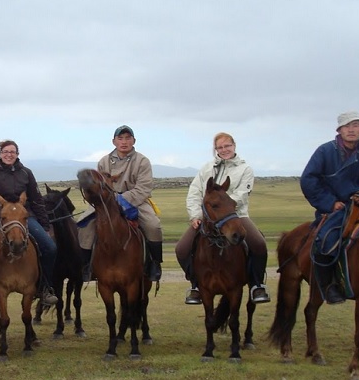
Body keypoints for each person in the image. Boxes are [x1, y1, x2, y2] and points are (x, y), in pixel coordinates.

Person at [300, 111, 359, 304]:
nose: (351, 129)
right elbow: (309, 180)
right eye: (347, 126)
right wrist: (330, 203)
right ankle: (329, 285)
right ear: (339, 130)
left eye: (355, 125)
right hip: (334, 209)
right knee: (325, 241)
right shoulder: (324, 151)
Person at [175, 132, 270, 305]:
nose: (224, 150)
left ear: (234, 146)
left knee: (259, 244)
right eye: (220, 147)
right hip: (208, 218)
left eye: (227, 146)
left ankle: (257, 285)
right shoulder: (207, 168)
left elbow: (242, 194)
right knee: (181, 249)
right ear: (215, 149)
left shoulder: (245, 169)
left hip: (236, 215)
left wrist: (223, 206)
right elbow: (194, 192)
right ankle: (196, 284)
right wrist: (196, 215)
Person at [0, 139, 58, 308]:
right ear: (0, 154)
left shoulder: (26, 173)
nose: (9, 154)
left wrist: (45, 225)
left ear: (17, 154)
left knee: (50, 247)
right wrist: (4, 216)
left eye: (12, 152)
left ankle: (45, 288)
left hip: (25, 217)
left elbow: (36, 200)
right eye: (5, 152)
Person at [78, 125, 163, 282]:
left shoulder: (142, 161)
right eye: (120, 138)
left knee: (153, 225)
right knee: (84, 225)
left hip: (136, 201)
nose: (124, 142)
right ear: (114, 141)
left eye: (128, 138)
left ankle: (155, 264)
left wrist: (122, 199)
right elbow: (99, 185)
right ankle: (85, 266)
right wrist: (105, 198)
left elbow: (144, 187)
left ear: (134, 140)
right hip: (105, 201)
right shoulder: (104, 161)